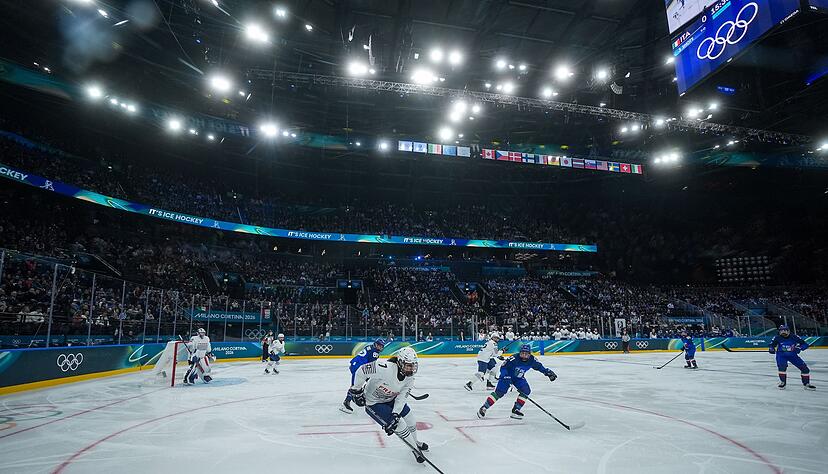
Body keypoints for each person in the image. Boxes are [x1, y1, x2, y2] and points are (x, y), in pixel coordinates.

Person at [348, 347, 429, 463]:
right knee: (400, 424)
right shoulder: (384, 368)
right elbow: (362, 370)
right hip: (374, 403)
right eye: (408, 365)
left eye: (413, 365)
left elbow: (401, 398)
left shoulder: (410, 379)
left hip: (391, 398)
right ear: (400, 363)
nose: (411, 369)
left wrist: (395, 414)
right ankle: (415, 450)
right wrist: (356, 389)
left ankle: (415, 442)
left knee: (409, 417)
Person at [477, 344, 556, 420]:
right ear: (519, 353)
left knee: (526, 390)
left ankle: (516, 410)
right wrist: (505, 376)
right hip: (506, 377)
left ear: (530, 354)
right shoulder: (513, 358)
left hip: (518, 378)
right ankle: (484, 407)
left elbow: (539, 367)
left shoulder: (532, 360)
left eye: (526, 354)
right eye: (522, 353)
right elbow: (503, 367)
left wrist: (547, 372)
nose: (524, 355)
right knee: (499, 393)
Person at [341, 338, 386, 414]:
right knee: (356, 386)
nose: (380, 347)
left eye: (382, 346)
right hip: (358, 368)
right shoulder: (375, 352)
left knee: (364, 383)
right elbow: (371, 365)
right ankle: (346, 402)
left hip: (356, 365)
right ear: (375, 344)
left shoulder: (369, 347)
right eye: (379, 345)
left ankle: (359, 397)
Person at [770, 325, 815, 390]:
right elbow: (771, 345)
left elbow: (805, 344)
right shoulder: (777, 338)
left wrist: (799, 348)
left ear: (788, 331)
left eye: (785, 330)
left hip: (793, 355)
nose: (783, 332)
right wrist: (771, 348)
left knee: (805, 369)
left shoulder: (794, 337)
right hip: (781, 356)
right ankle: (783, 382)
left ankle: (806, 384)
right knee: (782, 368)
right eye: (781, 331)